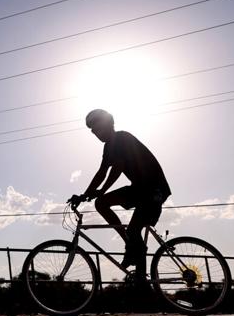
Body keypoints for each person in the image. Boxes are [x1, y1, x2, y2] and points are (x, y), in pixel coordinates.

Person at [70, 109, 171, 275]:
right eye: (93, 131)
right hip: (140, 189)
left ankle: (139, 273)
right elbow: (101, 172)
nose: (97, 133)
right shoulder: (108, 147)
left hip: (154, 189)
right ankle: (131, 246)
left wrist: (102, 190)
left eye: (99, 128)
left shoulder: (123, 138)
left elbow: (118, 167)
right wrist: (84, 195)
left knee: (133, 229)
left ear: (110, 124)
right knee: (101, 203)